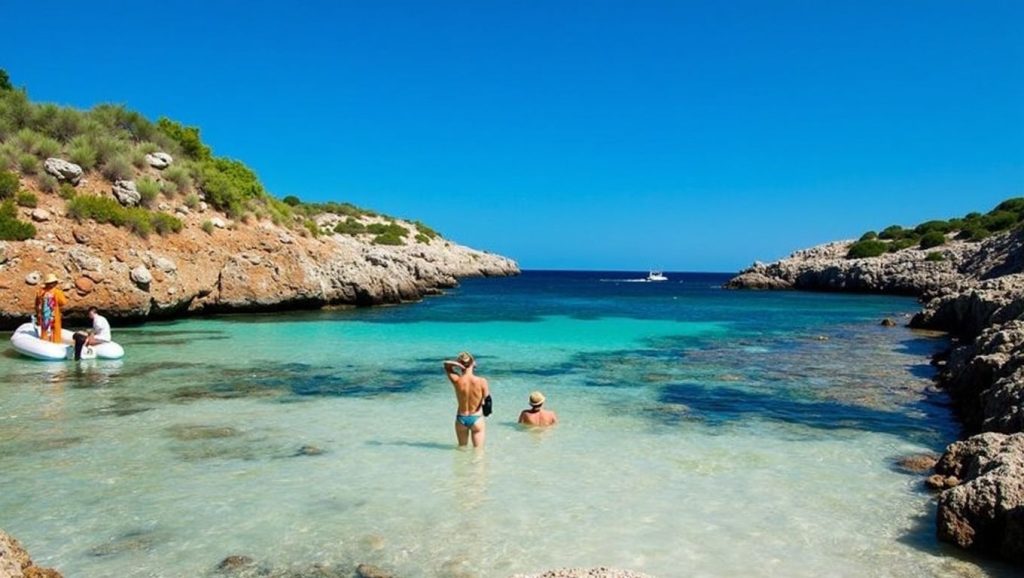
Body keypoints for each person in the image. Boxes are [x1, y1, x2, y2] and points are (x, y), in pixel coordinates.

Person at [444, 351, 490, 448]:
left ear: (460, 364)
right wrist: (487, 413)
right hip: (476, 418)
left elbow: (446, 365)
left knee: (462, 449)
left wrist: (458, 364)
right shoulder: (482, 381)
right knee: (478, 452)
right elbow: (488, 401)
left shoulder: (457, 380)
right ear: (473, 363)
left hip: (461, 418)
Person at [34, 273, 67, 343]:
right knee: (55, 330)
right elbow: (63, 302)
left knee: (45, 329)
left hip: (44, 315)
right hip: (54, 315)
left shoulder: (40, 291)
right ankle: (55, 343)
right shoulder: (57, 292)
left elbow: (37, 304)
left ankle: (44, 341)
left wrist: (38, 314)